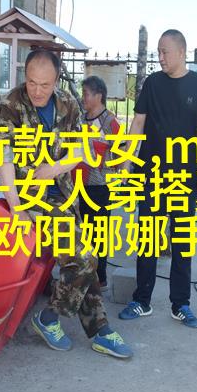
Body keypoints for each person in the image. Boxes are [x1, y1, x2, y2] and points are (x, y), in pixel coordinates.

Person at [0, 49, 133, 359]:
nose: (37, 91)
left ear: (57, 80)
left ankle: (96, 329)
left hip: (63, 194)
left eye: (45, 85)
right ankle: (54, 320)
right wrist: (16, 207)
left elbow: (81, 151)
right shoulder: (12, 104)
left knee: (84, 257)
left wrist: (54, 168)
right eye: (32, 82)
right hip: (30, 196)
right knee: (84, 259)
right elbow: (4, 157)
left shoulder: (69, 105)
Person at [118, 29, 197, 328]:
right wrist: (127, 160)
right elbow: (138, 122)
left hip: (184, 178)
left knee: (182, 243)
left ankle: (181, 304)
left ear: (181, 52)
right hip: (151, 175)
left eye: (165, 52)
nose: (160, 57)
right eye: (158, 52)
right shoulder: (153, 83)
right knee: (148, 240)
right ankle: (142, 300)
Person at [78, 75, 121, 290]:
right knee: (81, 233)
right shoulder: (80, 119)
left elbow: (122, 154)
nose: (83, 97)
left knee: (98, 233)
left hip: (100, 187)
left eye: (86, 94)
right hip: (78, 184)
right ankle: (83, 275)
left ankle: (99, 278)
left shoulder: (110, 122)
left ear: (99, 96)